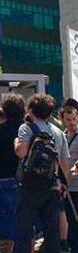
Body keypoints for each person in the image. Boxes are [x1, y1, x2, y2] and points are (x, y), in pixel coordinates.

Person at [15, 93, 70, 253]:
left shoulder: (26, 128)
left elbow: (21, 152)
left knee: (24, 231)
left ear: (31, 110)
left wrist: (16, 142)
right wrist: (63, 185)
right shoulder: (58, 132)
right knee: (52, 233)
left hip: (28, 187)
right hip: (51, 187)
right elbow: (64, 162)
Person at [0, 93, 25, 253]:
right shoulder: (28, 129)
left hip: (4, 181)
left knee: (4, 222)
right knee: (24, 222)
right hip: (27, 182)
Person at [61, 106, 78, 253]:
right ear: (63, 120)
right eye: (68, 119)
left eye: (74, 119)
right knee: (70, 222)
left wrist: (71, 173)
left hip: (75, 186)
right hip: (66, 189)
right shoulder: (62, 136)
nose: (72, 122)